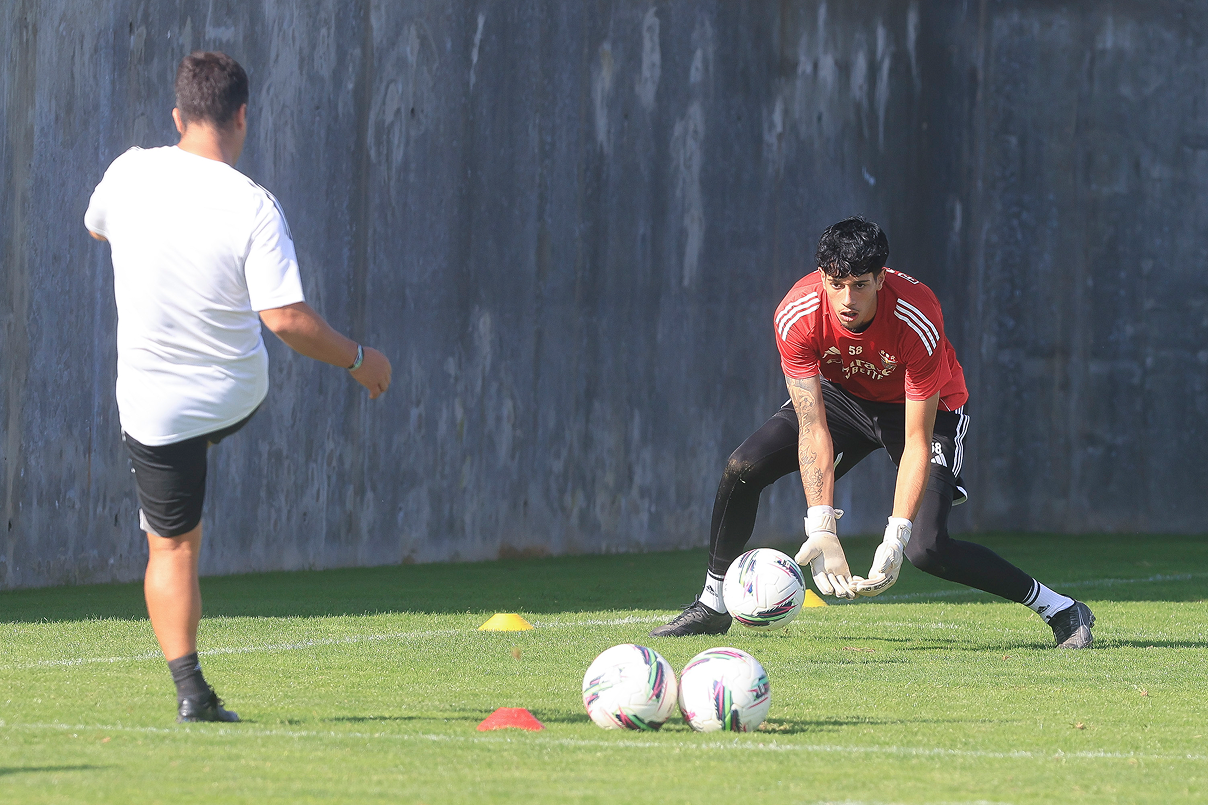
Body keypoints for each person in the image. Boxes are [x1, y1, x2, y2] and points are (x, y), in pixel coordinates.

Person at [84, 52, 393, 722]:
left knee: (170, 545)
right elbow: (284, 318)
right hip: (232, 394)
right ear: (242, 116)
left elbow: (95, 224)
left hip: (153, 410)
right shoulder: (252, 205)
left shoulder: (129, 170)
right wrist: (359, 358)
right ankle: (195, 693)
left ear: (178, 115)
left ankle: (190, 691)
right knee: (181, 520)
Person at [651, 217, 1094, 649]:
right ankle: (712, 603)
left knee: (928, 548)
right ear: (821, 276)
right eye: (836, 283)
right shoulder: (796, 315)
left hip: (922, 409)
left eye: (860, 284)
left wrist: (896, 535)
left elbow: (917, 440)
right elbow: (812, 425)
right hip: (844, 397)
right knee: (743, 466)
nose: (847, 298)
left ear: (881, 278)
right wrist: (821, 525)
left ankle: (1061, 609)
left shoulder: (917, 317)